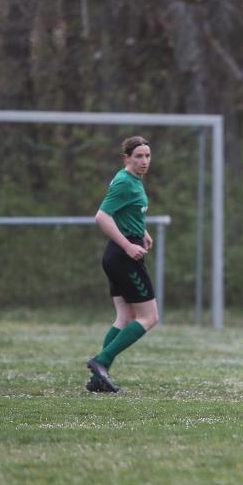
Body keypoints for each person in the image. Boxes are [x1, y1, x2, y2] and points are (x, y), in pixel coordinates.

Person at [85, 136, 159, 393]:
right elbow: (102, 216)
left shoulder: (131, 180)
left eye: (147, 156)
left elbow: (126, 211)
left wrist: (142, 231)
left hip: (117, 255)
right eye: (138, 156)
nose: (144, 161)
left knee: (125, 317)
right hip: (123, 255)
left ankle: (98, 379)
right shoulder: (126, 182)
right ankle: (101, 361)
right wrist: (128, 245)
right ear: (127, 158)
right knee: (150, 317)